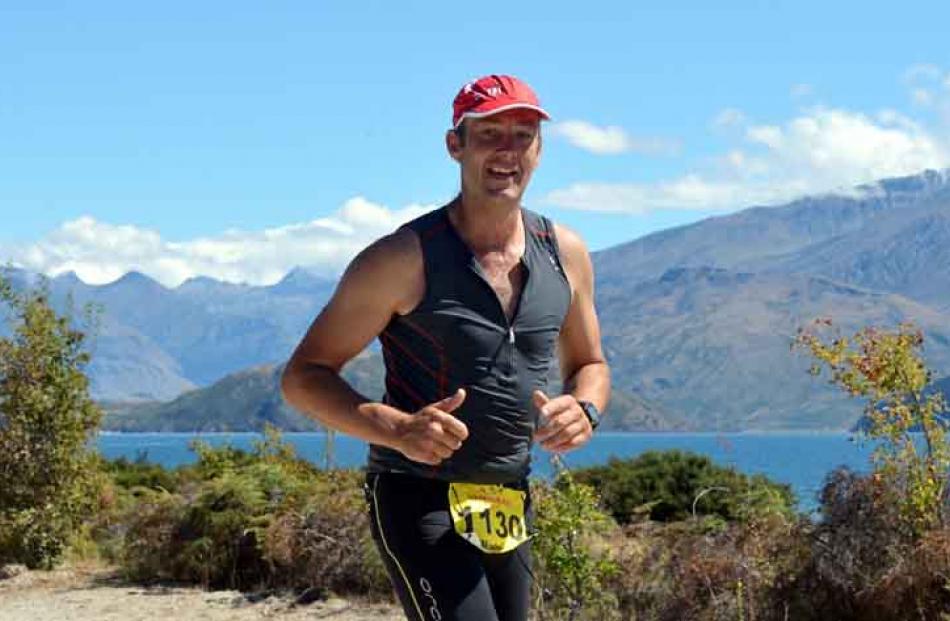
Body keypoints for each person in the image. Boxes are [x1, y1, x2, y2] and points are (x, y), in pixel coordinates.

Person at [281, 74, 610, 621]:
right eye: (490, 133)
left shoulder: (565, 253)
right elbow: (304, 375)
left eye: (523, 135)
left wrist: (585, 410)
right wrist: (398, 429)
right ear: (455, 145)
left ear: (540, 149)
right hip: (417, 495)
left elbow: (590, 364)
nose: (508, 151)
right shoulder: (401, 258)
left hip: (508, 496)